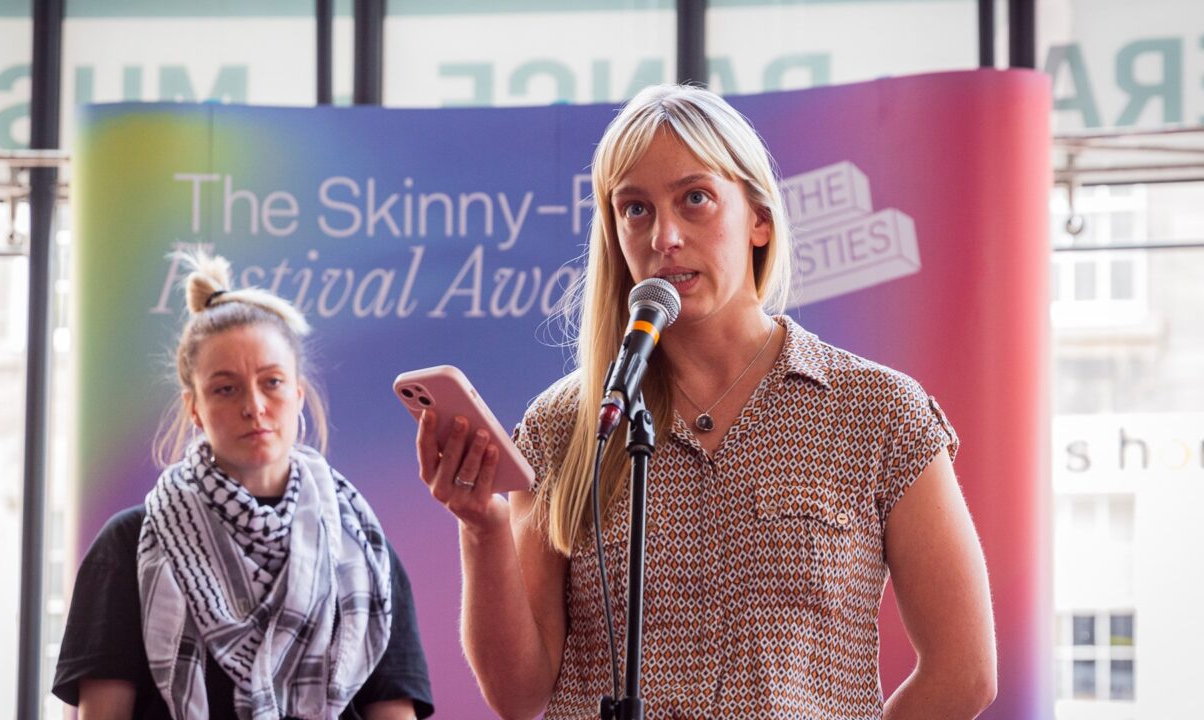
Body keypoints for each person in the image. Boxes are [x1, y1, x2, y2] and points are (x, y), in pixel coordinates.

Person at [415, 84, 997, 720]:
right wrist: (482, 527)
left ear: (759, 218)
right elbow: (519, 697)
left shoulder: (876, 411)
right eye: (635, 209)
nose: (664, 235)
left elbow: (963, 672)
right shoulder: (571, 425)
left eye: (695, 199)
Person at [54, 253, 433, 720]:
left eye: (272, 382)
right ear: (195, 409)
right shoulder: (128, 544)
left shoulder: (362, 549)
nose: (254, 406)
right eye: (225, 389)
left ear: (297, 394)